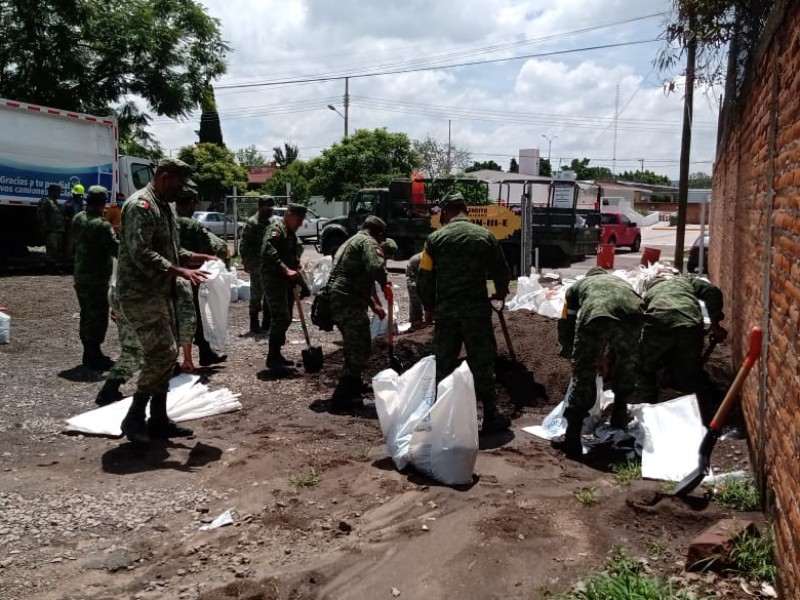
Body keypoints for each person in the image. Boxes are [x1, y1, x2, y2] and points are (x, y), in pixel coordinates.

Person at [116, 158, 217, 444]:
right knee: (161, 352)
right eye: (178, 183)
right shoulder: (140, 206)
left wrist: (200, 258)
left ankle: (158, 419)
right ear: (164, 177)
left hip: (160, 290)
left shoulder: (164, 207)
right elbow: (141, 252)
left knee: (167, 355)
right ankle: (134, 416)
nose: (181, 189)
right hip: (139, 291)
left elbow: (171, 249)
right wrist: (179, 270)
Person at [417, 191, 512, 433]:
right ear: (465, 209)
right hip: (476, 313)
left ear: (447, 211)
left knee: (444, 362)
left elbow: (425, 277)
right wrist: (499, 294)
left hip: (447, 313)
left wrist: (428, 307)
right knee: (482, 361)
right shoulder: (485, 237)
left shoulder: (435, 240)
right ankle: (490, 414)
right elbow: (501, 270)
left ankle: (441, 418)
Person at [555, 267, 643, 458]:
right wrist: (607, 357)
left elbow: (566, 322)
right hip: (634, 315)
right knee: (626, 365)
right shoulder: (623, 283)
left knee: (583, 376)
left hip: (596, 315)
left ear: (590, 277)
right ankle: (619, 417)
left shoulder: (576, 288)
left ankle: (572, 439)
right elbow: (617, 332)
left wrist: (574, 355)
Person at [636, 272, 727, 407]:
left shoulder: (649, 293)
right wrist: (715, 323)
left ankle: (649, 407)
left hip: (658, 324)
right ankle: (703, 416)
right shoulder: (685, 281)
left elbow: (640, 321)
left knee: (646, 370)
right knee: (690, 373)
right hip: (689, 325)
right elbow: (712, 291)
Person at [328, 216, 389, 412]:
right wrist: (385, 283)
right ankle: (341, 400)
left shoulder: (351, 241)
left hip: (340, 299)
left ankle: (354, 387)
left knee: (353, 345)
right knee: (360, 347)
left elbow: (355, 276)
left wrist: (374, 305)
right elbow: (375, 267)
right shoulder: (368, 242)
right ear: (378, 234)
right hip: (348, 301)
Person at [174, 186, 228, 367]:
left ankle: (171, 361)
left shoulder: (168, 221)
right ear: (190, 203)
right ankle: (204, 353)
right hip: (191, 278)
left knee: (172, 318)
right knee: (196, 317)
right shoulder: (193, 226)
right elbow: (209, 254)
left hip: (167, 277)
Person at [71, 185, 118, 370]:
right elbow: (115, 249)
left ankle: (90, 353)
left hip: (80, 274)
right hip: (96, 277)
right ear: (103, 202)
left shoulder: (78, 218)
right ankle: (93, 354)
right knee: (98, 316)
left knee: (86, 314)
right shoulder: (102, 225)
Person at [260, 203, 306, 373]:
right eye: (298, 220)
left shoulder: (291, 233)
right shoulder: (276, 229)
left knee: (287, 317)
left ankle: (277, 354)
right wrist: (285, 269)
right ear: (288, 214)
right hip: (274, 279)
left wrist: (295, 266)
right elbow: (268, 250)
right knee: (281, 317)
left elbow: (292, 254)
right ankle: (272, 358)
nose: (300, 224)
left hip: (286, 280)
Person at [240, 195, 275, 334]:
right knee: (256, 294)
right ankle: (254, 323)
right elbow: (244, 244)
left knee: (269, 294)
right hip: (257, 264)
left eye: (271, 206)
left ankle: (267, 323)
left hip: (271, 263)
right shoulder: (252, 223)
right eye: (268, 206)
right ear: (261, 207)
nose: (270, 209)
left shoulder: (273, 221)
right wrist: (246, 261)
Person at [37, 184, 64, 270]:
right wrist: (45, 228)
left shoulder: (55, 202)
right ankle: (48, 267)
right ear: (53, 191)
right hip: (51, 231)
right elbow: (41, 215)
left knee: (56, 250)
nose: (59, 194)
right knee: (52, 249)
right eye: (58, 192)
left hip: (58, 230)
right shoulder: (46, 201)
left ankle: (52, 266)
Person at [63, 183, 85, 259]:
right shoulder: (71, 203)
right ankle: (67, 260)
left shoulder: (79, 203)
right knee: (70, 244)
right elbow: (65, 215)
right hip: (72, 226)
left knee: (73, 244)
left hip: (76, 226)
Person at [405, 252, 424, 329]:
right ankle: (415, 321)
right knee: (415, 296)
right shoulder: (422, 258)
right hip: (413, 273)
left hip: (423, 272)